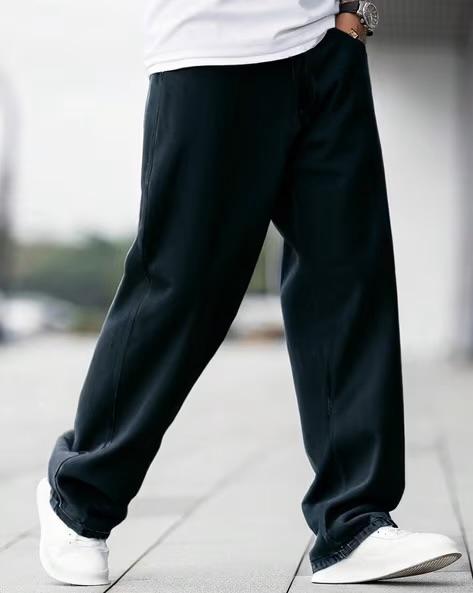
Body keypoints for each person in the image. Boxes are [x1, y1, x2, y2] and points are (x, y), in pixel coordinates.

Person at [36, 0, 462, 586]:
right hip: (210, 49)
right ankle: (78, 500)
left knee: (347, 278)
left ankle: (354, 523)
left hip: (327, 45)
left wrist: (354, 14)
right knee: (184, 286)